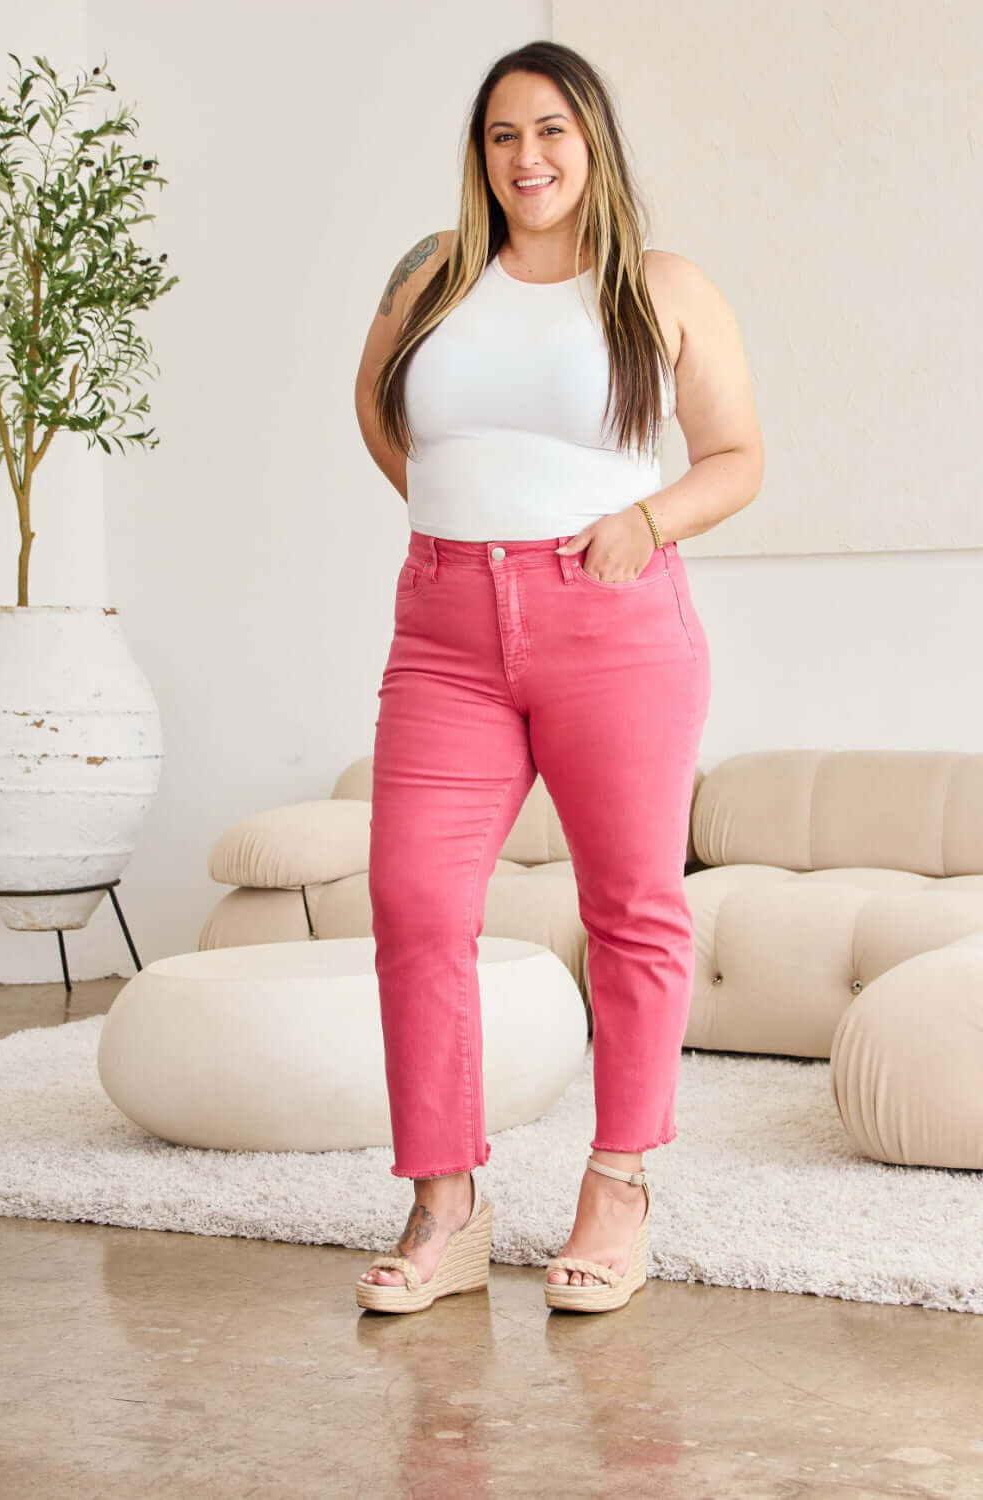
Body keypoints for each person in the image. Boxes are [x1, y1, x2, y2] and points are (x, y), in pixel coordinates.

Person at [353, 40, 763, 1313]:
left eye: (549, 132)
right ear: (478, 155)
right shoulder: (432, 272)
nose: (524, 158)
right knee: (415, 900)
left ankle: (619, 1186)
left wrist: (642, 523)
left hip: (614, 621)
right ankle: (446, 1208)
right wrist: (460, 532)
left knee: (631, 906)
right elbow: (376, 410)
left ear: (592, 143)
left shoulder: (660, 285)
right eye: (499, 136)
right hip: (445, 631)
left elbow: (737, 455)